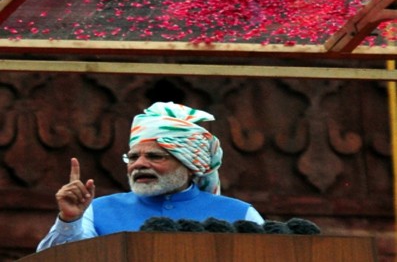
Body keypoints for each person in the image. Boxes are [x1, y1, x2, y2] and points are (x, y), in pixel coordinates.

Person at [37, 102, 265, 251]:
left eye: (155, 156)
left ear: (189, 164)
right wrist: (69, 220)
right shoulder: (97, 210)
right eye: (133, 157)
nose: (139, 165)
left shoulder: (240, 214)